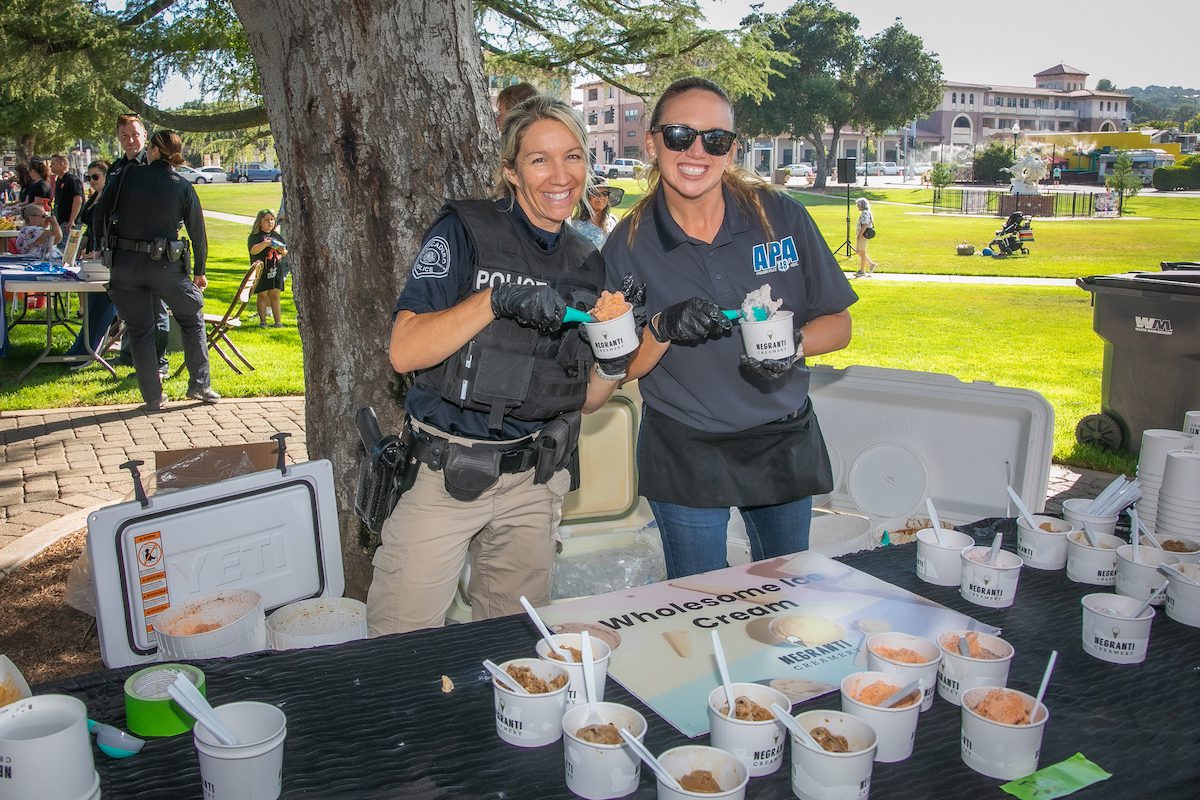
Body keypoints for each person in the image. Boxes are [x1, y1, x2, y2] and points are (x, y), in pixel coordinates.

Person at [366, 94, 636, 636]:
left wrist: (615, 357)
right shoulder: (464, 230)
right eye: (539, 160)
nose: (560, 176)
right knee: (399, 644)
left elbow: (584, 399)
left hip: (533, 482)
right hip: (443, 476)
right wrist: (495, 300)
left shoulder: (587, 260)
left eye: (573, 156)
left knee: (513, 643)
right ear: (511, 172)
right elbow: (405, 351)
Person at [602, 76, 856, 580]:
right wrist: (661, 327)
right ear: (652, 143)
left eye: (714, 139)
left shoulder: (779, 217)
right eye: (679, 135)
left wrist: (793, 344)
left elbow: (840, 324)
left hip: (781, 436)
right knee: (698, 601)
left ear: (731, 149)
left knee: (785, 590)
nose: (696, 151)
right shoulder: (627, 246)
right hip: (686, 444)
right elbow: (620, 368)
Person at [98, 129, 219, 411]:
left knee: (140, 330)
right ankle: (200, 385)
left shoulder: (127, 175)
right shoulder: (181, 185)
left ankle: (153, 397)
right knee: (191, 316)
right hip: (165, 267)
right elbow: (198, 234)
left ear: (152, 150)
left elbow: (100, 210)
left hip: (125, 266)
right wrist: (200, 270)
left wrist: (100, 245)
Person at [107, 112, 170, 376]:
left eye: (135, 134)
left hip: (153, 250)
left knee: (156, 309)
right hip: (124, 250)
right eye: (124, 136)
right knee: (130, 307)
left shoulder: (156, 166)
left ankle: (159, 363)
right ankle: (130, 353)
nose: (130, 140)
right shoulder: (117, 168)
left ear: (145, 135)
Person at [66, 160, 118, 362]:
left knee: (102, 298)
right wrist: (80, 244)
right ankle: (86, 343)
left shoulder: (111, 198)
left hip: (103, 254)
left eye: (95, 176)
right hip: (91, 253)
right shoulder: (95, 197)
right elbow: (90, 226)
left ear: (106, 176)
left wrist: (98, 250)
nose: (92, 181)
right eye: (88, 177)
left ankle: (97, 344)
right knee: (91, 299)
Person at [247, 208, 288, 327]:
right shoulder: (255, 236)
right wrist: (265, 244)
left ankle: (278, 321)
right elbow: (253, 251)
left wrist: (282, 250)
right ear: (259, 221)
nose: (269, 222)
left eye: (272, 219)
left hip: (275, 268)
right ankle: (263, 321)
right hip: (261, 270)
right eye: (266, 220)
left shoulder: (276, 235)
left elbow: (284, 251)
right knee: (263, 294)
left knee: (275, 294)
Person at [570, 176, 624, 249]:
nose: (601, 197)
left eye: (605, 193)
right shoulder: (574, 226)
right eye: (595, 193)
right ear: (586, 197)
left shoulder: (613, 220)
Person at [50, 154, 84, 234]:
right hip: (61, 220)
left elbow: (78, 200)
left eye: (53, 164)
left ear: (62, 164)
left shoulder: (71, 179)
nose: (50, 166)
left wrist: (71, 220)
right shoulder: (59, 179)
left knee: (66, 245)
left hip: (69, 221)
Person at [854, 197, 878, 278]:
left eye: (858, 205)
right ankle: (871, 264)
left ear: (862, 205)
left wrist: (860, 235)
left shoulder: (864, 213)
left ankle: (862, 270)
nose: (857, 206)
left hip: (863, 235)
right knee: (858, 251)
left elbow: (865, 224)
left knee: (862, 252)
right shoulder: (867, 212)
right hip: (863, 234)